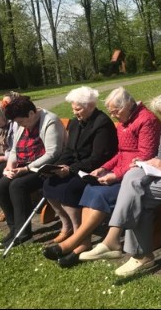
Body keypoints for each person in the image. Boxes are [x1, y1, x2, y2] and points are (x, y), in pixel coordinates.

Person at [78, 89, 161, 277]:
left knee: (136, 195)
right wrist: (147, 163)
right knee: (133, 175)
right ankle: (118, 243)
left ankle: (134, 252)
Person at [42, 87, 161, 268]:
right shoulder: (124, 120)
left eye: (116, 111)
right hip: (121, 171)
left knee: (100, 195)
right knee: (91, 189)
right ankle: (81, 244)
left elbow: (144, 157)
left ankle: (72, 243)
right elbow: (120, 153)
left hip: (137, 176)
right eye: (111, 112)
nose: (113, 116)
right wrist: (104, 168)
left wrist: (115, 175)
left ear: (128, 105)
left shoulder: (147, 120)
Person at [42, 86, 118, 244]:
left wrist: (70, 169)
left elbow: (99, 157)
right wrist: (58, 166)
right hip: (76, 165)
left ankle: (79, 232)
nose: (75, 112)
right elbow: (69, 149)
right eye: (73, 109)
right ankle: (66, 225)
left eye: (78, 109)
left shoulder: (102, 123)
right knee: (49, 184)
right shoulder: (76, 123)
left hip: (95, 169)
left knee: (69, 189)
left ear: (90, 106)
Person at [0, 96, 66, 249]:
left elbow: (53, 153)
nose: (20, 125)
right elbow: (14, 149)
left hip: (46, 168)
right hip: (24, 165)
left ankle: (23, 233)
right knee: (0, 186)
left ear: (32, 114)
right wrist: (9, 166)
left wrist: (26, 169)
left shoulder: (50, 121)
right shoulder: (23, 122)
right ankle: (14, 228)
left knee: (18, 186)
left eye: (21, 122)